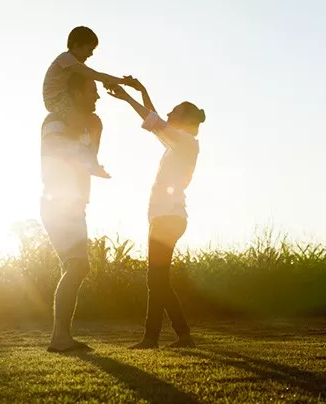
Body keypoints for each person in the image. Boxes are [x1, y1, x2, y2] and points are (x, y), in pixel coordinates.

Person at [107, 79, 206, 349]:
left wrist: (128, 98)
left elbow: (155, 121)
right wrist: (141, 92)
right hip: (166, 217)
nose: (169, 114)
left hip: (168, 217)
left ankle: (154, 337)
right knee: (158, 281)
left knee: (156, 281)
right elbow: (156, 123)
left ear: (184, 119)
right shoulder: (178, 143)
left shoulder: (185, 142)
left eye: (174, 111)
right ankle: (180, 335)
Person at [40, 73, 104, 353]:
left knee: (76, 266)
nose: (98, 96)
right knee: (77, 265)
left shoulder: (90, 123)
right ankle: (60, 338)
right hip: (59, 201)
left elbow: (90, 158)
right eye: (93, 90)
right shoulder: (55, 120)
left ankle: (61, 337)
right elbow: (57, 152)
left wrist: (93, 139)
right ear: (76, 93)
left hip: (74, 203)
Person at [43, 26, 128, 179]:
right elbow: (94, 74)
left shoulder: (73, 63)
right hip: (57, 99)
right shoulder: (66, 59)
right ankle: (85, 159)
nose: (91, 54)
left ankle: (91, 159)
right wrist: (123, 81)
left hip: (64, 99)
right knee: (82, 124)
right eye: (89, 49)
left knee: (93, 122)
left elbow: (93, 76)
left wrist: (109, 82)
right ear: (76, 45)